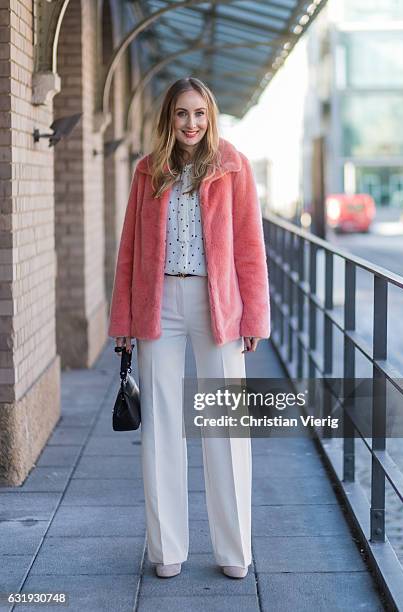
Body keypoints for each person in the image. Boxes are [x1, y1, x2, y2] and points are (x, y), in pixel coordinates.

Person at [108, 77, 270, 579]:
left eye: (199, 113)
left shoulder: (232, 166)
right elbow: (130, 249)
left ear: (211, 115)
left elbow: (249, 244)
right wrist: (124, 321)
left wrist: (254, 315)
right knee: (161, 427)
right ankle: (167, 551)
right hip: (159, 305)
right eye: (182, 114)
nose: (191, 123)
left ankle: (233, 551)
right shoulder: (147, 171)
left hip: (217, 304)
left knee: (226, 427)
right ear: (169, 118)